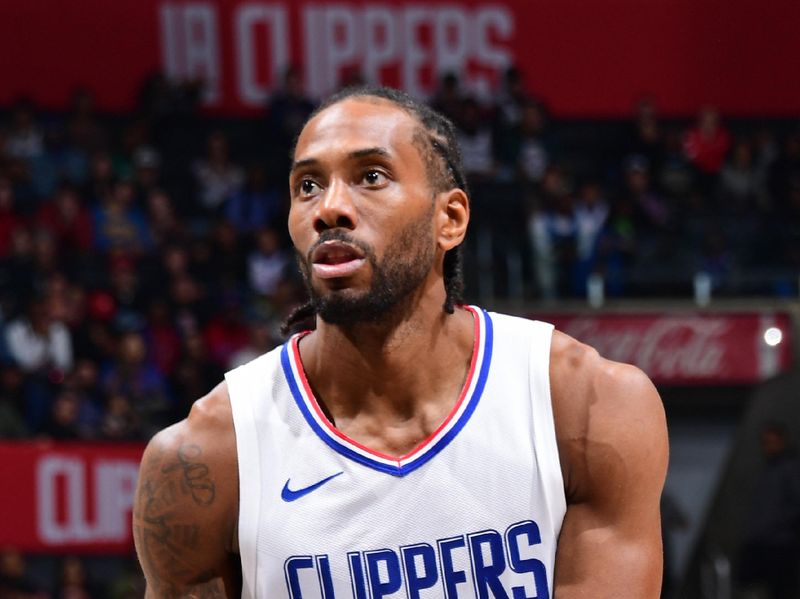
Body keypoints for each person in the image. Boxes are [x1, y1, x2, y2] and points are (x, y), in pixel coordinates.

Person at [133, 86, 668, 598]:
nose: (329, 209)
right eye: (308, 186)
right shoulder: (205, 460)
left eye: (371, 176)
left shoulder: (586, 407)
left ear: (450, 219)